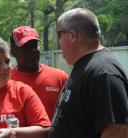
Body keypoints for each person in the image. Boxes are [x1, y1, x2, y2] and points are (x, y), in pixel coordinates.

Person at [48, 8, 128, 138]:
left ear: (72, 35)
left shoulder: (103, 72)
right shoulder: (86, 65)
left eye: (59, 34)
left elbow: (117, 130)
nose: (59, 42)